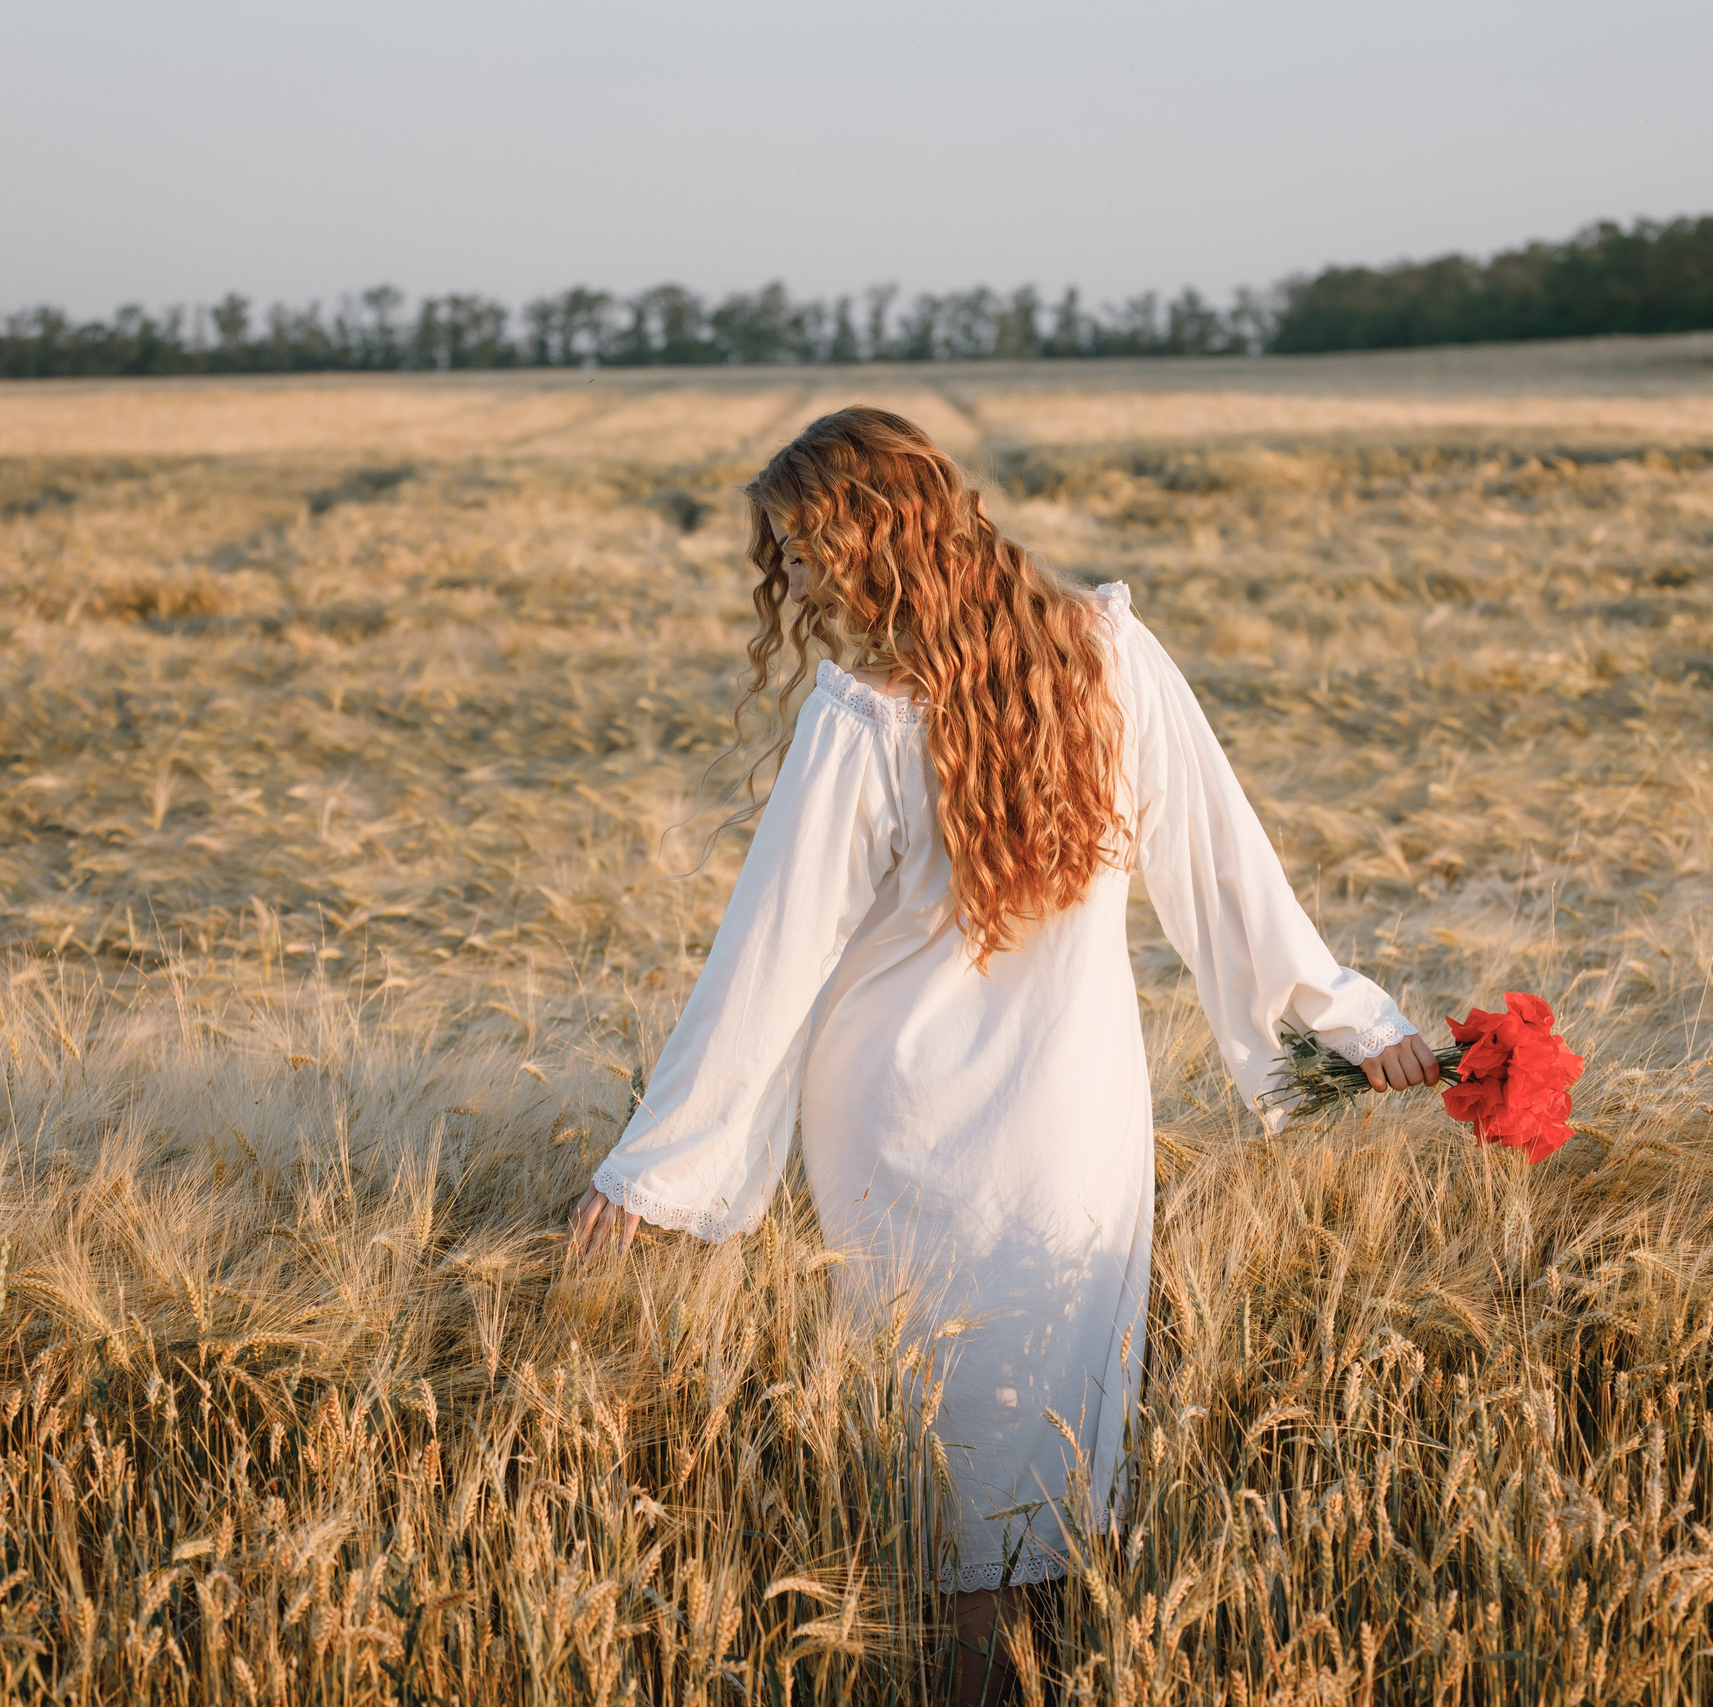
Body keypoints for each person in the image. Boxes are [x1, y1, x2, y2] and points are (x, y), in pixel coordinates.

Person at [569, 406, 1439, 1702]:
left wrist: (652, 1171)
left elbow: (765, 965)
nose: (793, 581)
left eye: (805, 548)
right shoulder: (1108, 658)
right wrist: (1353, 1023)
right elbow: (1228, 870)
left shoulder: (866, 719)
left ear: (880, 534)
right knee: (1035, 1449)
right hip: (1073, 1122)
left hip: (902, 1130)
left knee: (962, 1461)